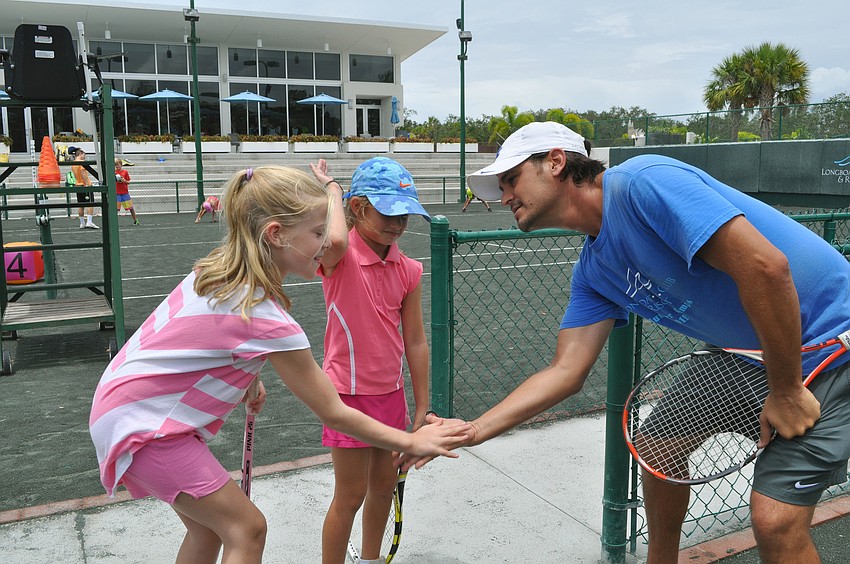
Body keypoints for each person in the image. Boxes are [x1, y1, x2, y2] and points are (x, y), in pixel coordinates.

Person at [421, 121, 850, 564]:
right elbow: (565, 372)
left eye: (511, 179)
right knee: (658, 445)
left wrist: (785, 392)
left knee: (775, 521)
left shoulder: (641, 182)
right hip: (748, 353)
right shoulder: (592, 272)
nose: (505, 196)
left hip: (833, 341)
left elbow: (766, 268)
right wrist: (473, 431)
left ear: (555, 161)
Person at [89, 166, 470, 564]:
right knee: (246, 529)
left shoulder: (218, 272)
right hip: (147, 429)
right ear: (276, 234)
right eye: (318, 233)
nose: (328, 244)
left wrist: (248, 377)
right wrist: (412, 441)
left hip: (121, 409)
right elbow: (334, 413)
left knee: (209, 527)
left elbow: (204, 340)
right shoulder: (268, 317)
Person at [309, 157, 432, 564]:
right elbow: (339, 239)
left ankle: (370, 559)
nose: (398, 224)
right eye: (388, 213)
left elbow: (414, 341)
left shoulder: (409, 269)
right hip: (345, 396)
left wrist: (422, 406)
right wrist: (334, 189)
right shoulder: (338, 258)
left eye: (405, 215)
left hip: (390, 396)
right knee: (350, 495)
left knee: (383, 487)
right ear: (359, 209)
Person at [71, 148, 98, 229]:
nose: (84, 157)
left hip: (77, 184)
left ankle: (82, 223)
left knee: (81, 205)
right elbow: (83, 172)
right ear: (80, 154)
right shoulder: (81, 163)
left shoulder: (73, 164)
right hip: (84, 185)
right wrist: (88, 184)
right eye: (84, 155)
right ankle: (89, 221)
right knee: (90, 203)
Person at [114, 158, 140, 225]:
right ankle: (113, 222)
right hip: (117, 193)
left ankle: (135, 220)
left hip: (125, 193)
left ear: (121, 164)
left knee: (131, 208)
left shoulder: (125, 172)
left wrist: (124, 181)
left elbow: (128, 182)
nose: (117, 166)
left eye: (118, 164)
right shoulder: (113, 172)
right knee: (116, 209)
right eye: (115, 165)